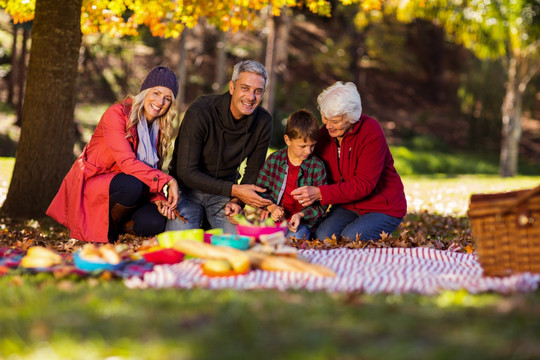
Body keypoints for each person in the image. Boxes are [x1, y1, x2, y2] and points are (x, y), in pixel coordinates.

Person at [47, 66, 180, 243]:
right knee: (132, 185)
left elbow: (150, 173)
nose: (160, 101)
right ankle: (105, 230)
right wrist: (167, 180)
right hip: (95, 182)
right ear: (145, 92)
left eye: (167, 98)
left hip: (132, 188)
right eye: (156, 93)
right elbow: (127, 163)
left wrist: (159, 198)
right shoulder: (117, 114)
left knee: (155, 222)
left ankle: (117, 225)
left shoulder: (158, 130)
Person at [290, 82, 407, 241]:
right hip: (346, 205)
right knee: (323, 237)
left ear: (351, 117)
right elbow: (308, 169)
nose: (328, 125)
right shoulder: (324, 135)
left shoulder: (371, 132)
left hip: (382, 206)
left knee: (351, 237)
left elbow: (364, 184)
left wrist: (320, 193)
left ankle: (379, 227)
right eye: (325, 118)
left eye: (336, 121)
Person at [166, 59, 273, 233]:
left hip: (224, 196)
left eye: (258, 91)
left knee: (238, 244)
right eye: (245, 88)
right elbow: (186, 171)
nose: (251, 97)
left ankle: (210, 221)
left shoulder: (263, 121)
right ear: (232, 87)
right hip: (187, 191)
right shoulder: (201, 110)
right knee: (181, 244)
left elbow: (254, 170)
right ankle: (202, 221)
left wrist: (237, 201)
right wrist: (236, 190)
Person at [256, 109, 327, 239]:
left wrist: (301, 215)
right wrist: (271, 207)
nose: (308, 151)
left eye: (312, 146)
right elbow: (261, 190)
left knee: (294, 240)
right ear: (288, 140)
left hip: (303, 222)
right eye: (303, 146)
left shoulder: (317, 166)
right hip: (274, 218)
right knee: (260, 238)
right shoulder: (274, 160)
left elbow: (321, 205)